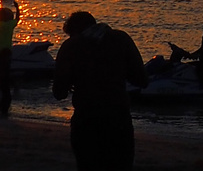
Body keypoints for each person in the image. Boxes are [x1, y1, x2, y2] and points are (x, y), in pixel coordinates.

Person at [53, 11, 148, 171]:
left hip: (86, 120)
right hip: (118, 118)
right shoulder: (121, 39)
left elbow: (59, 92)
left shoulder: (71, 46)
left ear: (75, 31)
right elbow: (142, 80)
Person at [0, 5, 17, 117]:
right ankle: (5, 102)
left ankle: (1, 104)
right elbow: (18, 19)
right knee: (5, 75)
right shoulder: (9, 25)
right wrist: (17, 7)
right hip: (6, 53)